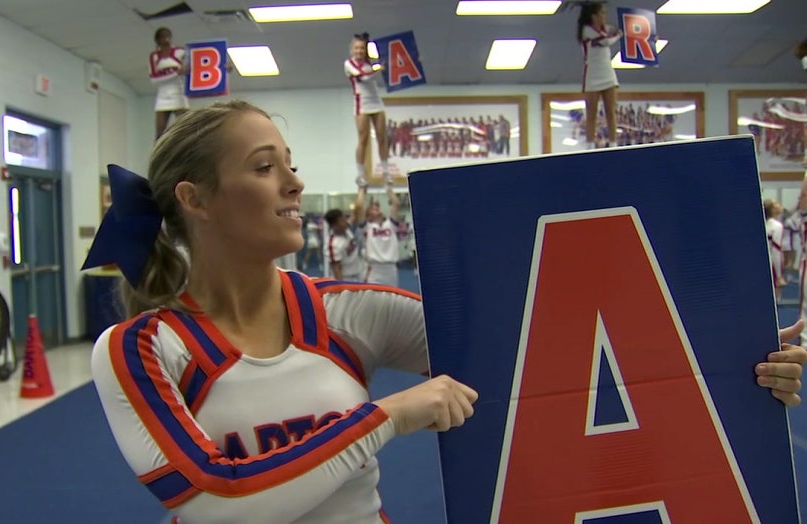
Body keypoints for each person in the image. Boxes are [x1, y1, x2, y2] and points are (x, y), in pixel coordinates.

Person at [82, 100, 807, 523]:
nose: (296, 183)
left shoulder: (345, 312)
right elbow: (209, 494)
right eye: (265, 166)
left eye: (291, 162)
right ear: (195, 199)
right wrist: (388, 417)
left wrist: (728, 360)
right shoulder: (141, 349)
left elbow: (544, 358)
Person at [345, 33, 390, 187]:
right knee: (363, 139)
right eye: (356, 48)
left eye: (362, 48)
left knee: (382, 137)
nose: (359, 51)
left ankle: (386, 172)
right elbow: (362, 77)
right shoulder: (349, 64)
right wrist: (378, 69)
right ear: (352, 49)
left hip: (376, 102)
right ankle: (361, 174)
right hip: (361, 103)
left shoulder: (370, 63)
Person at [577, 2, 622, 149]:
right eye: (602, 13)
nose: (605, 16)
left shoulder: (607, 29)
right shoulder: (587, 31)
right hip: (592, 74)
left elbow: (627, 31)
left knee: (611, 109)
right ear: (594, 16)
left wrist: (649, 38)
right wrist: (618, 35)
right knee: (592, 111)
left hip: (607, 72)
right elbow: (605, 41)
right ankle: (590, 145)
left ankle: (614, 143)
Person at [354, 183, 401, 287]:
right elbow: (358, 206)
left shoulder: (390, 225)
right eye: (373, 208)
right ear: (368, 214)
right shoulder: (367, 227)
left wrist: (388, 188)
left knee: (392, 300)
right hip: (375, 269)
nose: (377, 209)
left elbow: (396, 204)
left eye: (378, 207)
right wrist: (362, 189)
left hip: (391, 268)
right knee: (374, 301)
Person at [150, 27, 189, 139]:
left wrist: (223, 68)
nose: (166, 38)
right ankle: (158, 155)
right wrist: (176, 73)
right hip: (163, 96)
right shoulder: (154, 56)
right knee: (160, 134)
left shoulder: (180, 52)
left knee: (186, 129)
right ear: (157, 40)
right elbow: (154, 79)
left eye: (168, 35)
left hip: (180, 93)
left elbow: (196, 64)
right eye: (162, 36)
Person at [324, 208, 366, 281]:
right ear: (334, 225)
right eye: (342, 220)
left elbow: (355, 214)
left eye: (344, 219)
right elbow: (337, 270)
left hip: (358, 275)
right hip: (346, 279)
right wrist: (342, 289)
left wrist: (361, 196)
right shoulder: (332, 244)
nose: (346, 222)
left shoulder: (345, 229)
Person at [765, 199, 787, 300]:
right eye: (776, 204)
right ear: (773, 210)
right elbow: (776, 251)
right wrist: (779, 275)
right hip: (773, 263)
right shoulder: (777, 226)